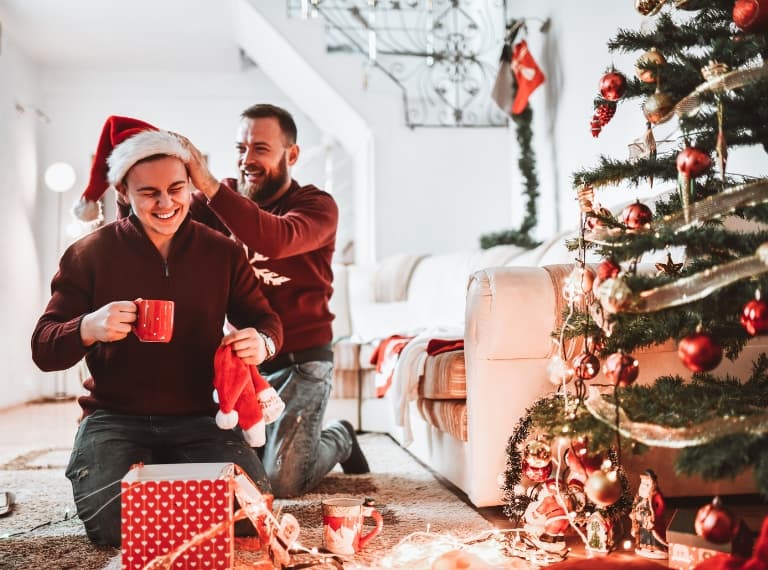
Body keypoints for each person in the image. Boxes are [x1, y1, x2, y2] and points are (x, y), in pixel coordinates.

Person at [32, 115, 283, 546]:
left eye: (175, 189)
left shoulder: (221, 251)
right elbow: (43, 346)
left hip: (200, 417)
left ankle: (163, 480)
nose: (166, 203)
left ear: (189, 186)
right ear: (123, 193)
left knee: (248, 518)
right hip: (115, 417)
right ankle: (162, 480)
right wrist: (88, 327)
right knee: (114, 530)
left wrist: (261, 342)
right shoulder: (88, 254)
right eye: (149, 192)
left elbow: (267, 321)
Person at [175, 103, 370, 498]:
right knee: (230, 470)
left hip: (303, 363)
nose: (247, 159)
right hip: (244, 365)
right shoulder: (219, 200)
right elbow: (169, 225)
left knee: (281, 481)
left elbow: (275, 239)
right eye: (240, 148)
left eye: (260, 149)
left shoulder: (317, 207)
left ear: (291, 155)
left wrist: (208, 184)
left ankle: (341, 437)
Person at [630, 469, 668, 559]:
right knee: (644, 535)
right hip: (642, 521)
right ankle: (645, 547)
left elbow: (661, 507)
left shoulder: (655, 495)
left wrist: (653, 517)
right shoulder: (639, 497)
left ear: (652, 484)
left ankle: (658, 549)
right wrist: (634, 514)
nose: (644, 486)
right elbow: (635, 506)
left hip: (651, 521)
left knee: (653, 535)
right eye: (642, 484)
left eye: (647, 485)